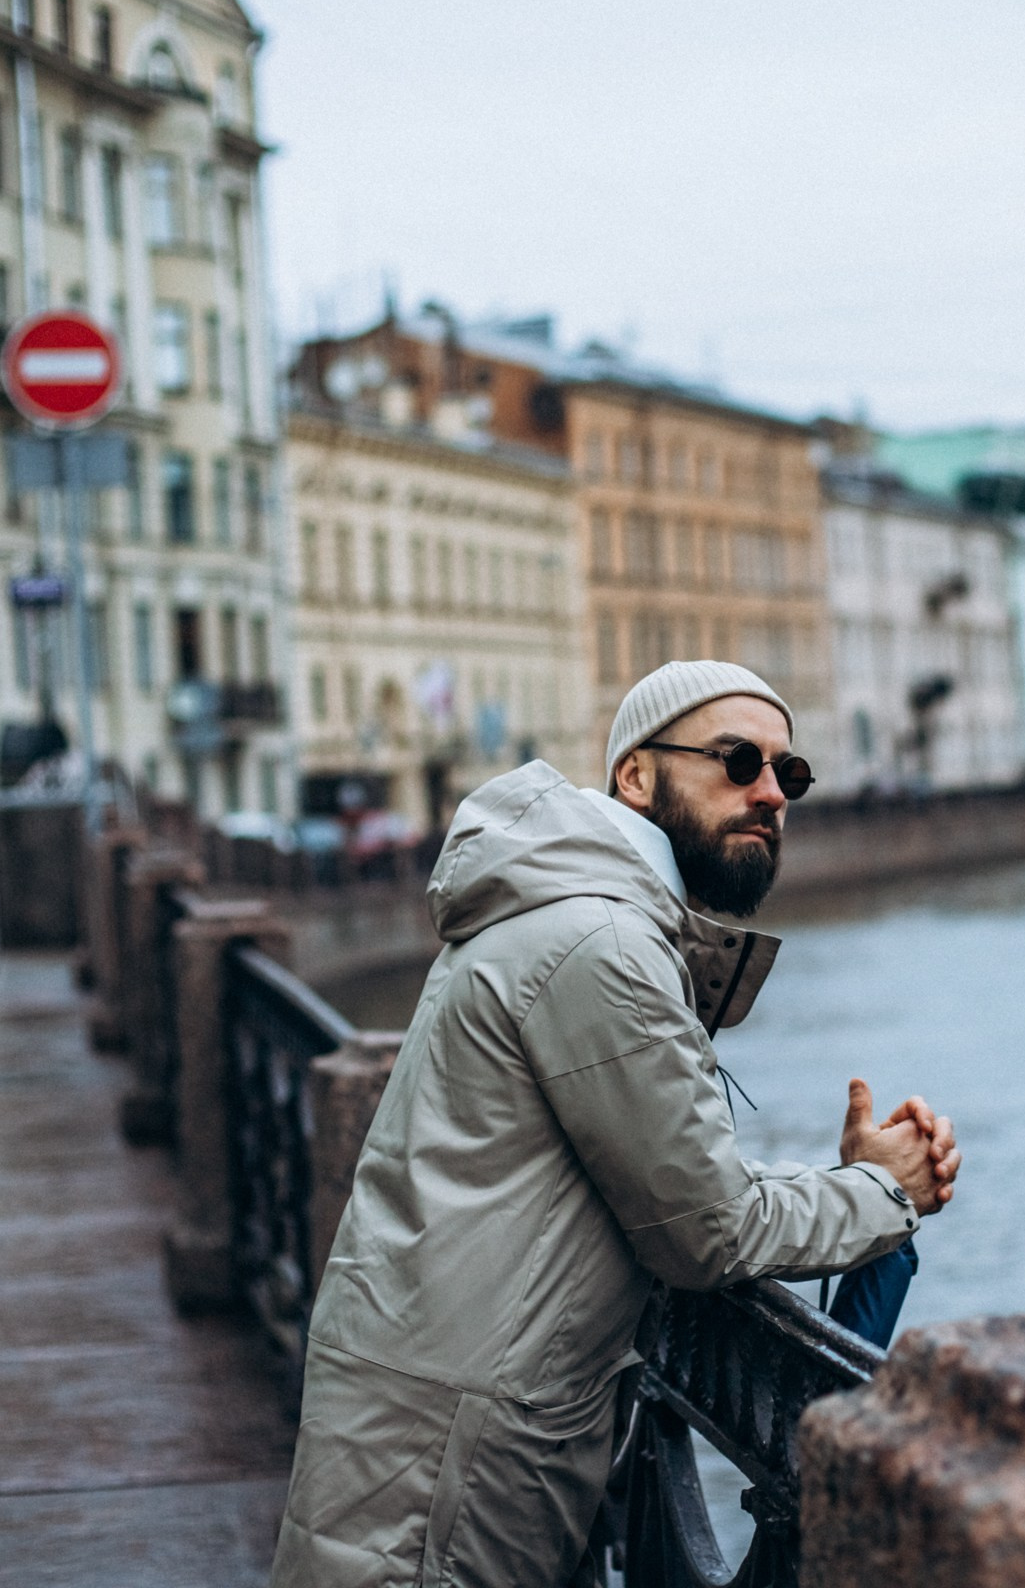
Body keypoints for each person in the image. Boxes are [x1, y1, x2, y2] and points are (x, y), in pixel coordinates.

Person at [270, 661, 962, 1588]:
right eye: (738, 760)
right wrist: (885, 1193)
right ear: (636, 776)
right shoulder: (602, 944)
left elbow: (663, 1176)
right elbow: (707, 1232)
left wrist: (846, 1177)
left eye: (788, 774)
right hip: (456, 1449)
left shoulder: (566, 913)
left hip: (432, 1407)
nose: (770, 792)